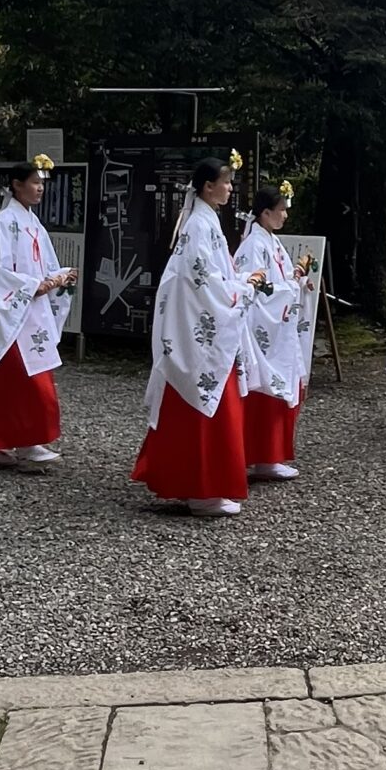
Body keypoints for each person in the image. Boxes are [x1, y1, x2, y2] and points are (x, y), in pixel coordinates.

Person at [133, 154, 268, 519]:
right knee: (207, 402)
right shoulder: (198, 225)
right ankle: (202, 489)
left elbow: (211, 277)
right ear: (209, 187)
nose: (230, 188)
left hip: (204, 324)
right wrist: (242, 289)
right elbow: (203, 282)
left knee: (212, 402)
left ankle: (204, 484)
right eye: (226, 182)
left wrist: (240, 283)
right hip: (200, 328)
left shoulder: (205, 221)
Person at [0, 158, 77, 466]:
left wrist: (58, 276)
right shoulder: (2, 223)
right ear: (17, 185)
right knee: (21, 379)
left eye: (42, 183)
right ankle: (20, 442)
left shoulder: (32, 223)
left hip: (28, 312)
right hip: (11, 313)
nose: (40, 188)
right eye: (35, 182)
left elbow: (43, 264)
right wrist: (36, 285)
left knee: (20, 379)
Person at [233, 180, 317, 482]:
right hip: (263, 328)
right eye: (281, 210)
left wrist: (297, 281)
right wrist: (290, 288)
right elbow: (254, 287)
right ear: (266, 213)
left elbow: (278, 281)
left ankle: (270, 456)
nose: (285, 215)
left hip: (277, 324)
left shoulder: (270, 240)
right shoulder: (253, 245)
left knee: (279, 388)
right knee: (265, 389)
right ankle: (262, 456)